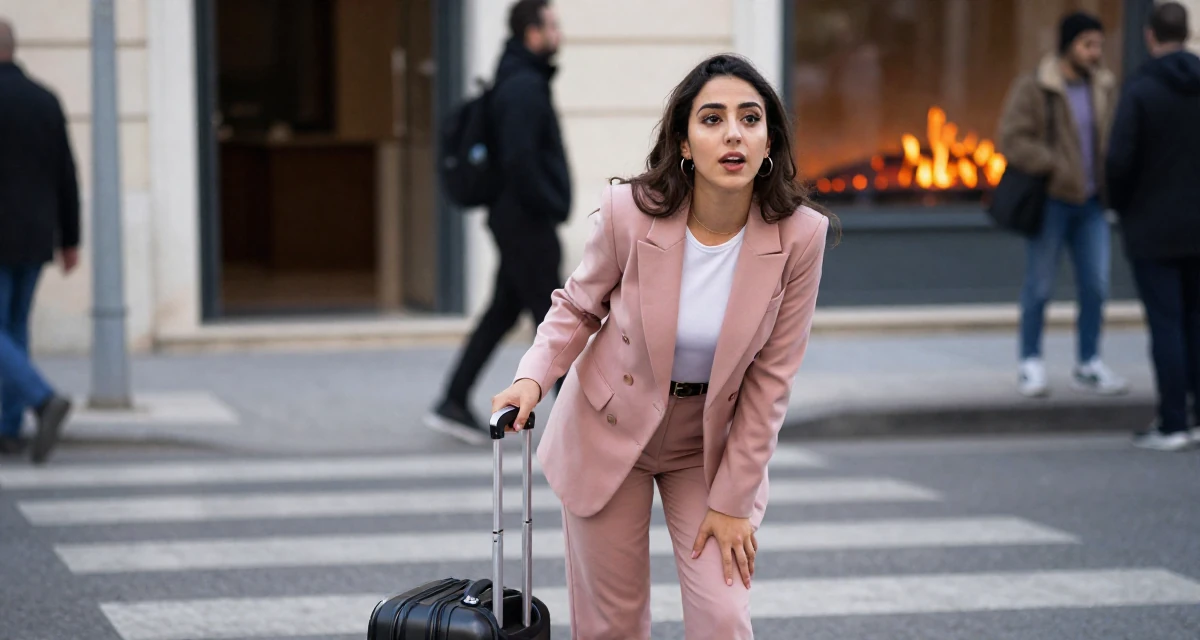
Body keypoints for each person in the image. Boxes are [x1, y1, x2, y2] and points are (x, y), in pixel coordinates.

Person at [491, 54, 835, 639]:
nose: (733, 133)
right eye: (712, 118)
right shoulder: (631, 212)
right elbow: (577, 307)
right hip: (609, 423)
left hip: (709, 444)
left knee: (722, 618)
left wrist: (732, 502)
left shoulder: (800, 236)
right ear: (683, 141)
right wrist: (532, 378)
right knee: (612, 626)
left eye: (750, 119)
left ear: (769, 140)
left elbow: (773, 377)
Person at [424, 0, 571, 445]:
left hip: (517, 216)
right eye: (552, 26)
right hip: (524, 218)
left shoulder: (518, 79)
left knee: (505, 310)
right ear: (533, 33)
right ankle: (577, 416)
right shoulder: (523, 86)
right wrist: (550, 202)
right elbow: (520, 159)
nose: (559, 33)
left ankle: (453, 398)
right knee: (557, 318)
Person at [998, 11, 1130, 398]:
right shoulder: (1037, 86)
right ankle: (1030, 363)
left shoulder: (1104, 86)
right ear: (1068, 45)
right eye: (1088, 44)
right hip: (1052, 201)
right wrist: (1053, 165)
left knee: (1096, 286)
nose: (1095, 53)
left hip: (1092, 203)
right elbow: (1012, 138)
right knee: (1039, 286)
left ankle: (1089, 362)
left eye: (1099, 46)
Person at [1106, 1, 1200, 451]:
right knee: (1196, 322)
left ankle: (1174, 421)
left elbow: (1120, 160)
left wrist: (1119, 206)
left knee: (1167, 325)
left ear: (1149, 35)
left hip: (1154, 227)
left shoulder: (1141, 89)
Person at [0, 19, 76, 463]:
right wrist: (71, 238)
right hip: (35, 235)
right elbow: (66, 173)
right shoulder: (45, 99)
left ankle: (42, 399)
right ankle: (9, 429)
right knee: (13, 330)